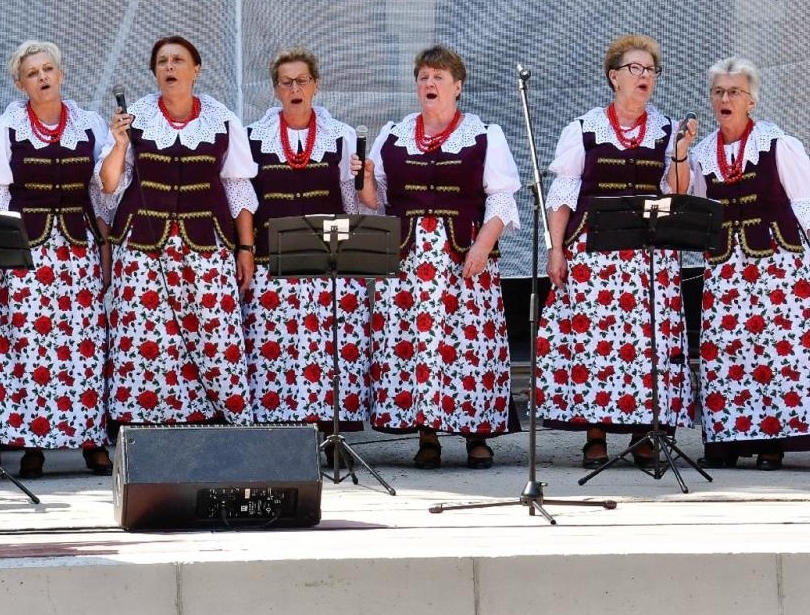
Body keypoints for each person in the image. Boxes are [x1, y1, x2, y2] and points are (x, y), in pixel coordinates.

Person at [687, 57, 810, 469]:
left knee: (777, 349)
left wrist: (799, 264)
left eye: (734, 92)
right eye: (718, 92)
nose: (725, 98)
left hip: (777, 262)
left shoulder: (777, 143)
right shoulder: (701, 153)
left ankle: (774, 441)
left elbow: (800, 202)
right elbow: (698, 204)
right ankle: (727, 442)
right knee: (728, 352)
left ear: (751, 100)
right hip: (726, 266)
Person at [537, 34, 698, 469]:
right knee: (596, 343)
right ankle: (596, 433)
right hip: (594, 255)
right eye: (635, 68)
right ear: (614, 77)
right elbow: (563, 195)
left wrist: (681, 154)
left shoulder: (667, 130)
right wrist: (556, 250)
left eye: (651, 70)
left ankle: (645, 432)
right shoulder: (584, 128)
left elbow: (678, 193)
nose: (645, 76)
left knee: (649, 346)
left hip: (649, 256)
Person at [359, 46, 522, 469]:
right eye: (424, 77)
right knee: (416, 345)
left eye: (439, 77)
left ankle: (477, 434)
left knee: (470, 345)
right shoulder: (393, 134)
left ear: (457, 86)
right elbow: (375, 201)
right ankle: (426, 433)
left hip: (463, 255)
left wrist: (483, 246)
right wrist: (364, 180)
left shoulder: (484, 134)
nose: (430, 83)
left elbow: (501, 198)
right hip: (409, 261)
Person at [99, 35, 258, 425]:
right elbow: (109, 184)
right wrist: (119, 143)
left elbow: (237, 186)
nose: (169, 67)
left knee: (214, 331)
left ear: (196, 69)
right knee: (147, 335)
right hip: (143, 246)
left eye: (178, 60)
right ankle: (143, 424)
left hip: (206, 244)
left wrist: (246, 248)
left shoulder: (221, 118)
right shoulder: (135, 116)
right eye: (162, 62)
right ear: (155, 72)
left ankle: (219, 419)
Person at [0, 41, 114, 477]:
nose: (42, 77)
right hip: (27, 252)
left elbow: (101, 192)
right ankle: (33, 443)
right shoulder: (3, 128)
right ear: (20, 84)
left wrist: (106, 248)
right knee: (30, 346)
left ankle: (91, 440)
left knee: (83, 345)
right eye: (32, 73)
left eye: (48, 69)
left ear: (61, 74)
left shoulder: (90, 124)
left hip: (78, 248)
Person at [243, 48, 369, 428]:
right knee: (275, 349)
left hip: (324, 265)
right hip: (271, 265)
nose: (294, 89)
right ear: (275, 89)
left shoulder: (341, 136)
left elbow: (351, 205)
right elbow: (245, 200)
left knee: (326, 351)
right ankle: (281, 433)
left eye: (302, 81)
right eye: (286, 82)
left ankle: (328, 431)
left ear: (316, 85)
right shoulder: (253, 138)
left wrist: (346, 258)